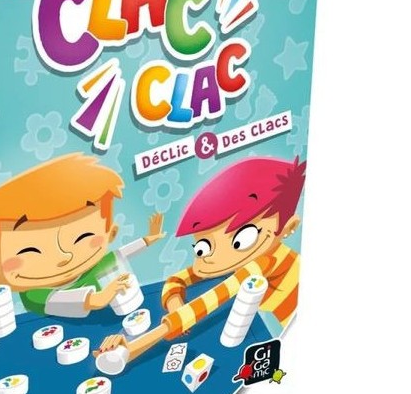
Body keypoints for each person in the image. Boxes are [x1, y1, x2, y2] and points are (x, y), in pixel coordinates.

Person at [96, 155, 305, 362]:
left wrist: (132, 348)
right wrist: (176, 305)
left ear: (289, 227)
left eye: (241, 240)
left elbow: (207, 303)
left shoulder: (263, 263)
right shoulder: (243, 258)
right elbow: (176, 279)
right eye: (203, 247)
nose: (214, 258)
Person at [0, 152, 164, 318]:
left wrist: (147, 239)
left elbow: (121, 254)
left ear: (111, 233)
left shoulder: (94, 268)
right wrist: (98, 298)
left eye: (82, 237)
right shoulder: (35, 294)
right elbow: (59, 300)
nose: (64, 257)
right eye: (30, 250)